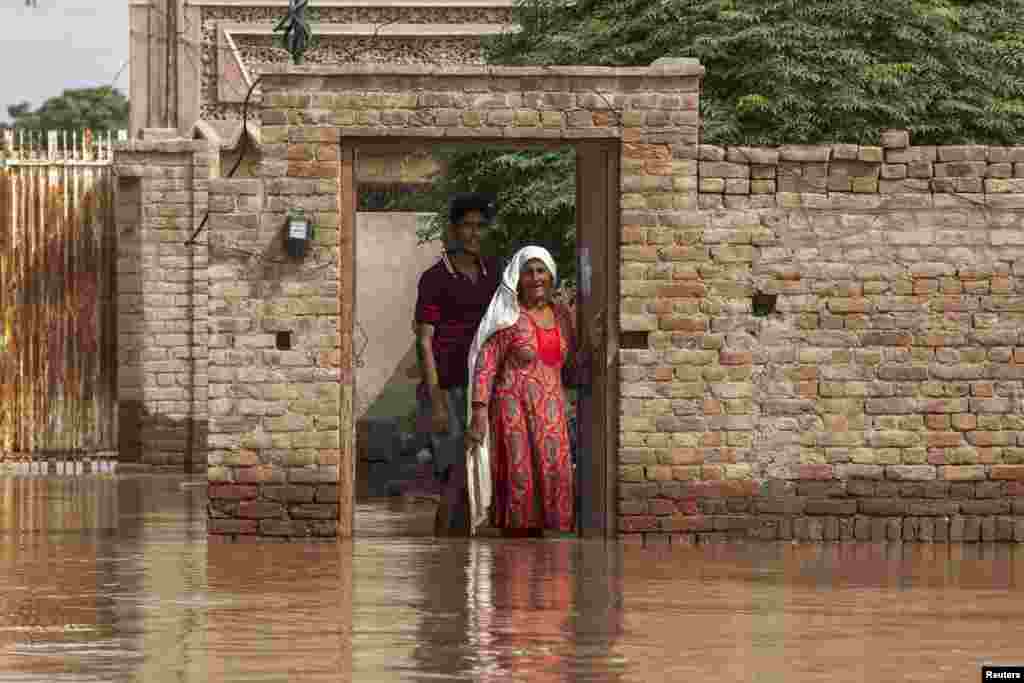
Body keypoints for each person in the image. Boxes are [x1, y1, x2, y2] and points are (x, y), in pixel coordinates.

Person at [465, 246, 603, 538]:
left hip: (552, 415)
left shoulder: (563, 316)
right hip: (513, 414)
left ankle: (544, 575)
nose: (535, 278)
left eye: (541, 271)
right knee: (520, 484)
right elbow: (485, 364)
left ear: (551, 276)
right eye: (528, 272)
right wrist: (478, 411)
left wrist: (592, 343)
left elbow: (571, 372)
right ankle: (514, 571)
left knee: (555, 481)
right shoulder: (510, 316)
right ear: (518, 278)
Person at [414, 192, 502, 536]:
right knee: (453, 473)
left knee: (477, 476)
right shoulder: (434, 278)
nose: (474, 233)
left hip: (483, 387)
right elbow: (424, 340)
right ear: (453, 230)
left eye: (480, 226)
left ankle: (460, 566)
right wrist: (436, 401)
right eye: (467, 225)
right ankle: (442, 557)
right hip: (448, 387)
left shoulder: (493, 273)